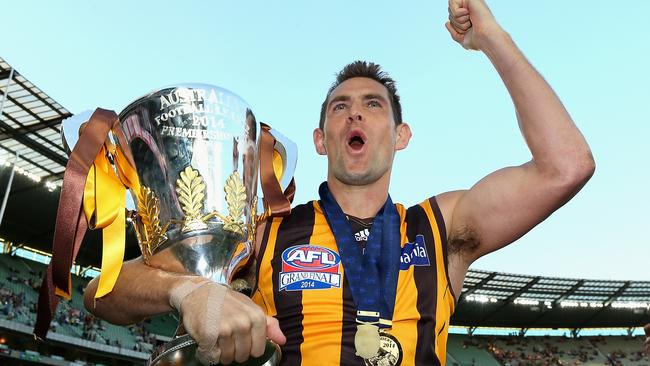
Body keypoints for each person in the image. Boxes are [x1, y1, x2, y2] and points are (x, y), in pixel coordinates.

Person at [83, 0, 595, 365]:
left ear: (401, 136)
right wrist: (187, 293)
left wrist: (492, 39)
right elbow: (100, 291)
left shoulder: (441, 225)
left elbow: (566, 165)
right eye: (340, 107)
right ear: (321, 138)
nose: (356, 114)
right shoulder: (267, 231)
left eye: (374, 106)